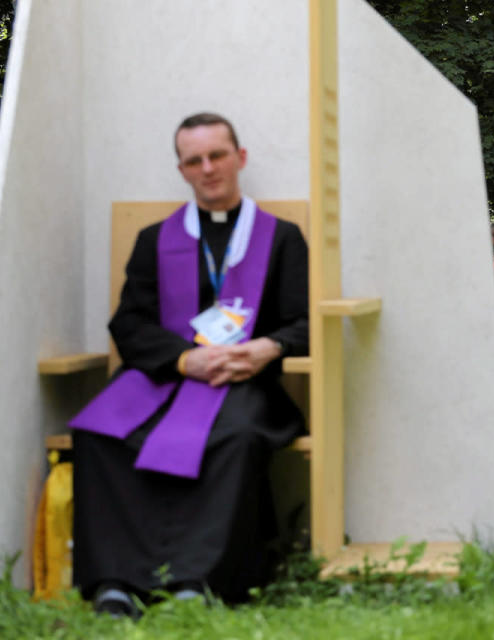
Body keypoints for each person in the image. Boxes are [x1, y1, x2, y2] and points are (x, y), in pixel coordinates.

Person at [68, 113, 309, 615]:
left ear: (239, 158)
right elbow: (128, 323)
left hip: (245, 382)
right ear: (182, 170)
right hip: (167, 376)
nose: (208, 168)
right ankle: (115, 583)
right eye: (194, 160)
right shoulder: (156, 239)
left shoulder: (281, 238)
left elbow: (305, 320)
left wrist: (267, 348)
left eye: (217, 155)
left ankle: (197, 583)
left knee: (232, 437)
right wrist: (182, 359)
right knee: (99, 434)